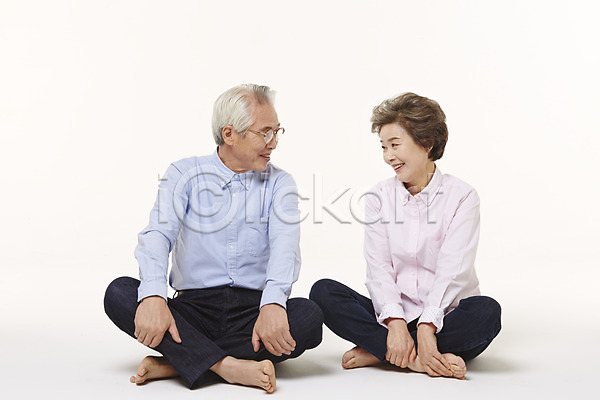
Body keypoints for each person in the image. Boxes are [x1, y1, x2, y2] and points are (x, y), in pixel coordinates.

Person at [104, 84, 323, 393]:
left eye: (277, 131)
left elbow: (285, 247)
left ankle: (179, 362)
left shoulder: (280, 183)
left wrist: (273, 303)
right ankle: (228, 367)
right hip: (192, 311)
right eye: (265, 133)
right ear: (229, 134)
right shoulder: (183, 173)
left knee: (309, 317)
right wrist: (153, 295)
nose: (273, 142)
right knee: (119, 293)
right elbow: (157, 235)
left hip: (253, 312)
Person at [310, 92, 501, 379]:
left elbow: (452, 269)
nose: (388, 156)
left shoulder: (462, 196)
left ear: (426, 142)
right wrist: (397, 324)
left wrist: (427, 327)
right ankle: (416, 358)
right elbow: (379, 268)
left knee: (487, 312)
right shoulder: (378, 196)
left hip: (446, 318)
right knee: (323, 292)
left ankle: (381, 351)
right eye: (383, 147)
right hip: (393, 317)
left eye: (395, 144)